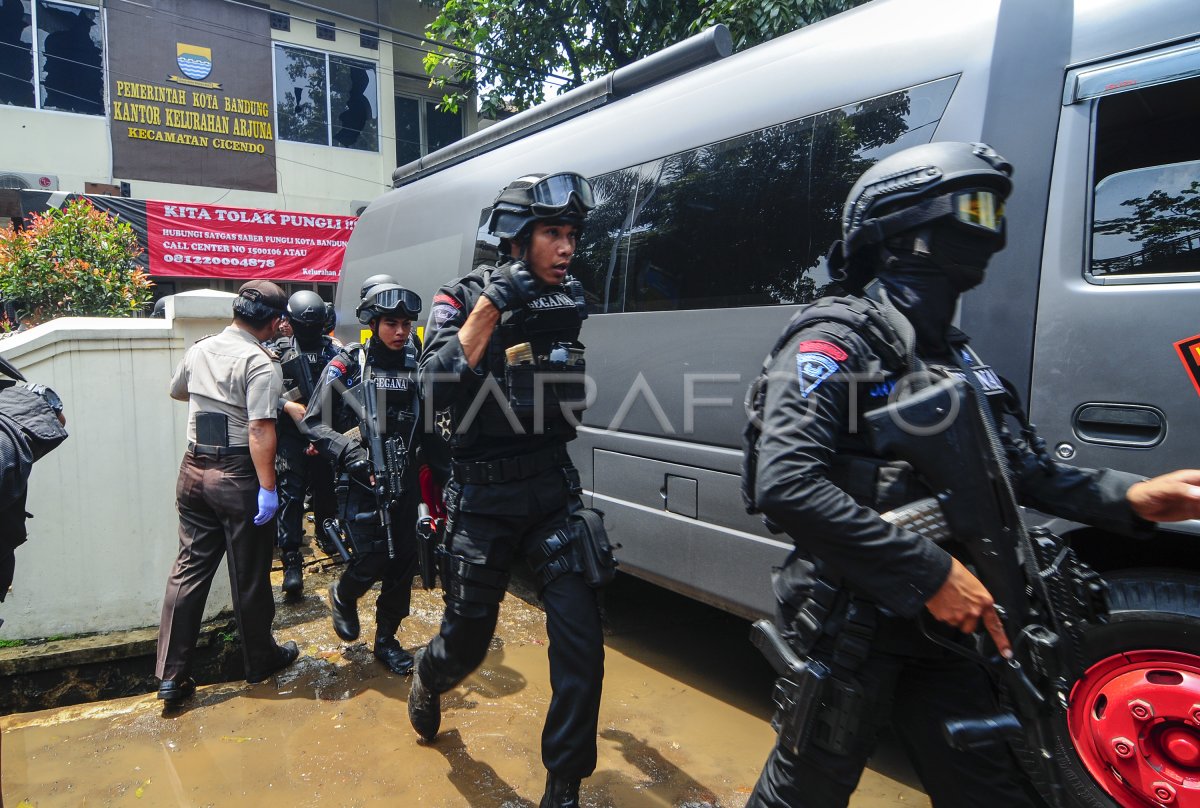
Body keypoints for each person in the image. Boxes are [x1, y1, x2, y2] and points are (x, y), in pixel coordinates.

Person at [741, 141, 1200, 808]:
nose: (986, 229)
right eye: (972, 208)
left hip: (954, 629)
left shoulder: (956, 354)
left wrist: (1132, 497)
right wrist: (929, 572)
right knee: (803, 793)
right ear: (905, 229)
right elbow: (785, 482)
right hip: (857, 629)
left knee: (998, 790)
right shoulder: (836, 338)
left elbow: (1020, 471)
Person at [412, 172, 608, 808]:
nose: (567, 247)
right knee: (466, 643)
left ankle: (563, 785)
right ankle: (428, 675)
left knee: (582, 646)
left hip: (552, 489)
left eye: (572, 234)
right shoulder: (461, 298)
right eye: (553, 233)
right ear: (515, 238)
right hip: (484, 501)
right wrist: (492, 306)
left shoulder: (568, 295)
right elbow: (433, 386)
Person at [156, 280, 299, 705]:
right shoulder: (259, 362)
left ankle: (171, 676)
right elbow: (260, 428)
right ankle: (260, 659)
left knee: (188, 571)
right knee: (250, 574)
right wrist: (268, 488)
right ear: (275, 321)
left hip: (193, 472)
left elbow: (177, 389)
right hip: (238, 475)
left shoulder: (201, 349)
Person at [300, 282, 424, 676]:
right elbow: (312, 422)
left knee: (404, 562)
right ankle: (344, 593)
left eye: (406, 323)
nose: (401, 331)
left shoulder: (415, 361)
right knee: (370, 558)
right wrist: (348, 452)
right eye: (391, 323)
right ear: (372, 322)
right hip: (361, 480)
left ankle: (386, 640)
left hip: (404, 478)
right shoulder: (348, 363)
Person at [272, 291, 340, 595]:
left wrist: (324, 435)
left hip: (325, 431)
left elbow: (346, 397)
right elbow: (261, 394)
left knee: (327, 488)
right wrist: (287, 406)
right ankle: (291, 559)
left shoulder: (335, 352)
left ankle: (329, 534)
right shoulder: (276, 353)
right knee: (291, 495)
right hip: (291, 435)